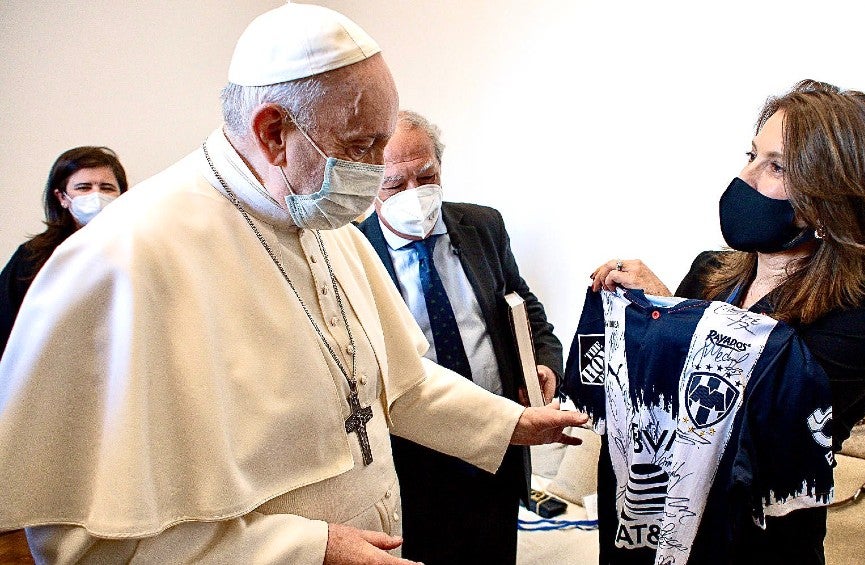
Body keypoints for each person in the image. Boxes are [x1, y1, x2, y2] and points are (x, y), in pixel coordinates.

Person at [0, 4, 586, 564]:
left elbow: (396, 381)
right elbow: (81, 543)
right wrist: (302, 551)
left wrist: (509, 423)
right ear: (275, 132)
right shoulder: (123, 261)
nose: (378, 171)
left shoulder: (322, 218)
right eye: (361, 147)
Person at [587, 79, 865, 563]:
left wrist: (669, 313)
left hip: (759, 546)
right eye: (751, 155)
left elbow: (756, 418)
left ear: (833, 195)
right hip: (655, 524)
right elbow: (659, 396)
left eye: (776, 166)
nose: (745, 178)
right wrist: (647, 315)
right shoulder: (709, 271)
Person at [358, 110, 563, 564]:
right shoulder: (352, 252)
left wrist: (544, 365)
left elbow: (524, 306)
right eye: (394, 183)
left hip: (499, 441)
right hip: (411, 457)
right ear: (369, 184)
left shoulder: (483, 226)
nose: (414, 194)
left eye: (426, 175)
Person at [0, 146, 127, 354]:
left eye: (106, 188)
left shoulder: (135, 251)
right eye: (84, 187)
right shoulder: (33, 256)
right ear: (62, 197)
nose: (96, 195)